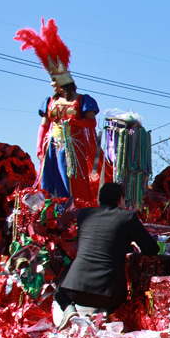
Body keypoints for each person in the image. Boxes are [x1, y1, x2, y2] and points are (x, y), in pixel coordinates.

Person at [16, 18, 111, 203]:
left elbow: (91, 123)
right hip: (51, 145)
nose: (52, 83)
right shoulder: (48, 101)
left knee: (72, 182)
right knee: (49, 183)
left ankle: (75, 211)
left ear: (63, 80)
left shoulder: (83, 100)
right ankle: (52, 216)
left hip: (74, 148)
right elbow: (44, 125)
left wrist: (73, 122)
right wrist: (39, 146)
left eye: (54, 79)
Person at [55, 183, 159, 320]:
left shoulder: (84, 215)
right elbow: (152, 249)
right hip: (110, 295)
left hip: (75, 290)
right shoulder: (127, 217)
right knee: (119, 298)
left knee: (58, 292)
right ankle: (102, 314)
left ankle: (69, 310)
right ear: (121, 200)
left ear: (99, 200)